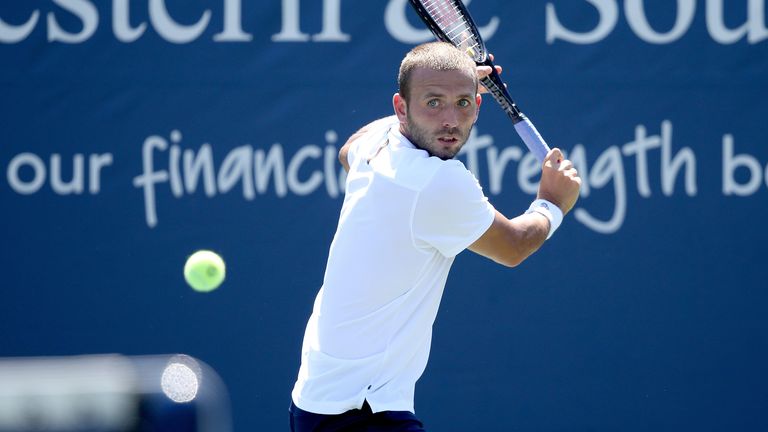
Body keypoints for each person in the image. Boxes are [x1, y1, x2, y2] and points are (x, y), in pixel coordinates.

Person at [289, 42, 581, 431]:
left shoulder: (378, 145)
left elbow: (347, 152)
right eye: (433, 103)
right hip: (360, 410)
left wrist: (435, 90)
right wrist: (551, 203)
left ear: (478, 107)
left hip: (317, 401)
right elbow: (513, 246)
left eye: (462, 103)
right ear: (401, 107)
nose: (449, 119)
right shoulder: (437, 182)